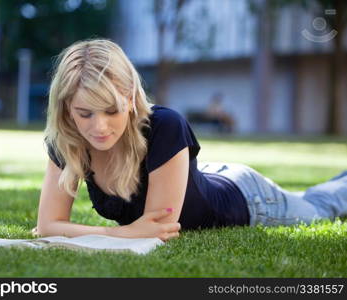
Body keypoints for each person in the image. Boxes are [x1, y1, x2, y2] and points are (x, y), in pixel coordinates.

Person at [35, 39, 347, 242]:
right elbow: (48, 226)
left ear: (130, 99)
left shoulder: (164, 125)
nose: (99, 127)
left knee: (322, 204)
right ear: (66, 109)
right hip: (197, 174)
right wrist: (121, 232)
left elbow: (158, 232)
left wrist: (100, 233)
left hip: (247, 198)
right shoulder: (67, 140)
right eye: (84, 113)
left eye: (111, 110)